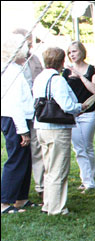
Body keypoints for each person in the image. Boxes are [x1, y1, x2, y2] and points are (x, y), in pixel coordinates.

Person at [32, 47, 83, 215]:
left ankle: (48, 203)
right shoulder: (57, 80)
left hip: (41, 127)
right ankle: (57, 207)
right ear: (61, 61)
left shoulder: (39, 77)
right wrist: (79, 107)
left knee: (49, 167)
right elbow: (66, 105)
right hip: (56, 128)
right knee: (59, 168)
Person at [1, 33, 37, 214]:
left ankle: (21, 198)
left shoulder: (15, 68)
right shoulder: (11, 71)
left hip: (18, 118)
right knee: (16, 158)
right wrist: (22, 130)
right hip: (14, 119)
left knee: (24, 159)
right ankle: (4, 201)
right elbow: (14, 102)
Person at [13, 28, 44, 201]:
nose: (30, 44)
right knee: (21, 152)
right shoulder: (11, 63)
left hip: (37, 110)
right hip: (20, 113)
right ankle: (17, 192)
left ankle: (40, 186)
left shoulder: (35, 58)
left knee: (37, 149)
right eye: (27, 41)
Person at [63, 41, 95, 193]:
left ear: (82, 52)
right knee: (79, 148)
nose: (72, 54)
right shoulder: (66, 72)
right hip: (73, 114)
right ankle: (87, 180)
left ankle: (90, 178)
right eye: (70, 52)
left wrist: (81, 77)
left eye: (75, 51)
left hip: (88, 113)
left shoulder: (91, 69)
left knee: (87, 146)